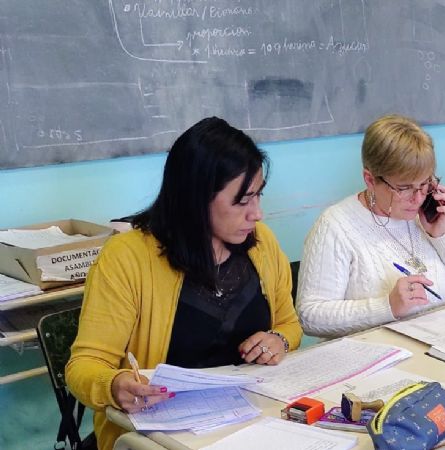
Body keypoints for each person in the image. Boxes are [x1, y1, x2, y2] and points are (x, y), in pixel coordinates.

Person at [66, 117, 302, 450]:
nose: (257, 214)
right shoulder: (128, 257)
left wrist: (278, 340)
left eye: (258, 196)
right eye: (243, 200)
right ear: (196, 197)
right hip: (162, 437)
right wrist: (115, 383)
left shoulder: (261, 243)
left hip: (251, 423)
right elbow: (83, 367)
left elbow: (289, 325)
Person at [296, 114, 445, 338]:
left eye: (425, 183)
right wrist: (387, 307)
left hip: (439, 343)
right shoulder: (335, 226)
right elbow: (309, 316)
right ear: (370, 179)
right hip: (374, 358)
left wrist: (441, 234)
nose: (417, 198)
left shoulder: (426, 212)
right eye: (404, 188)